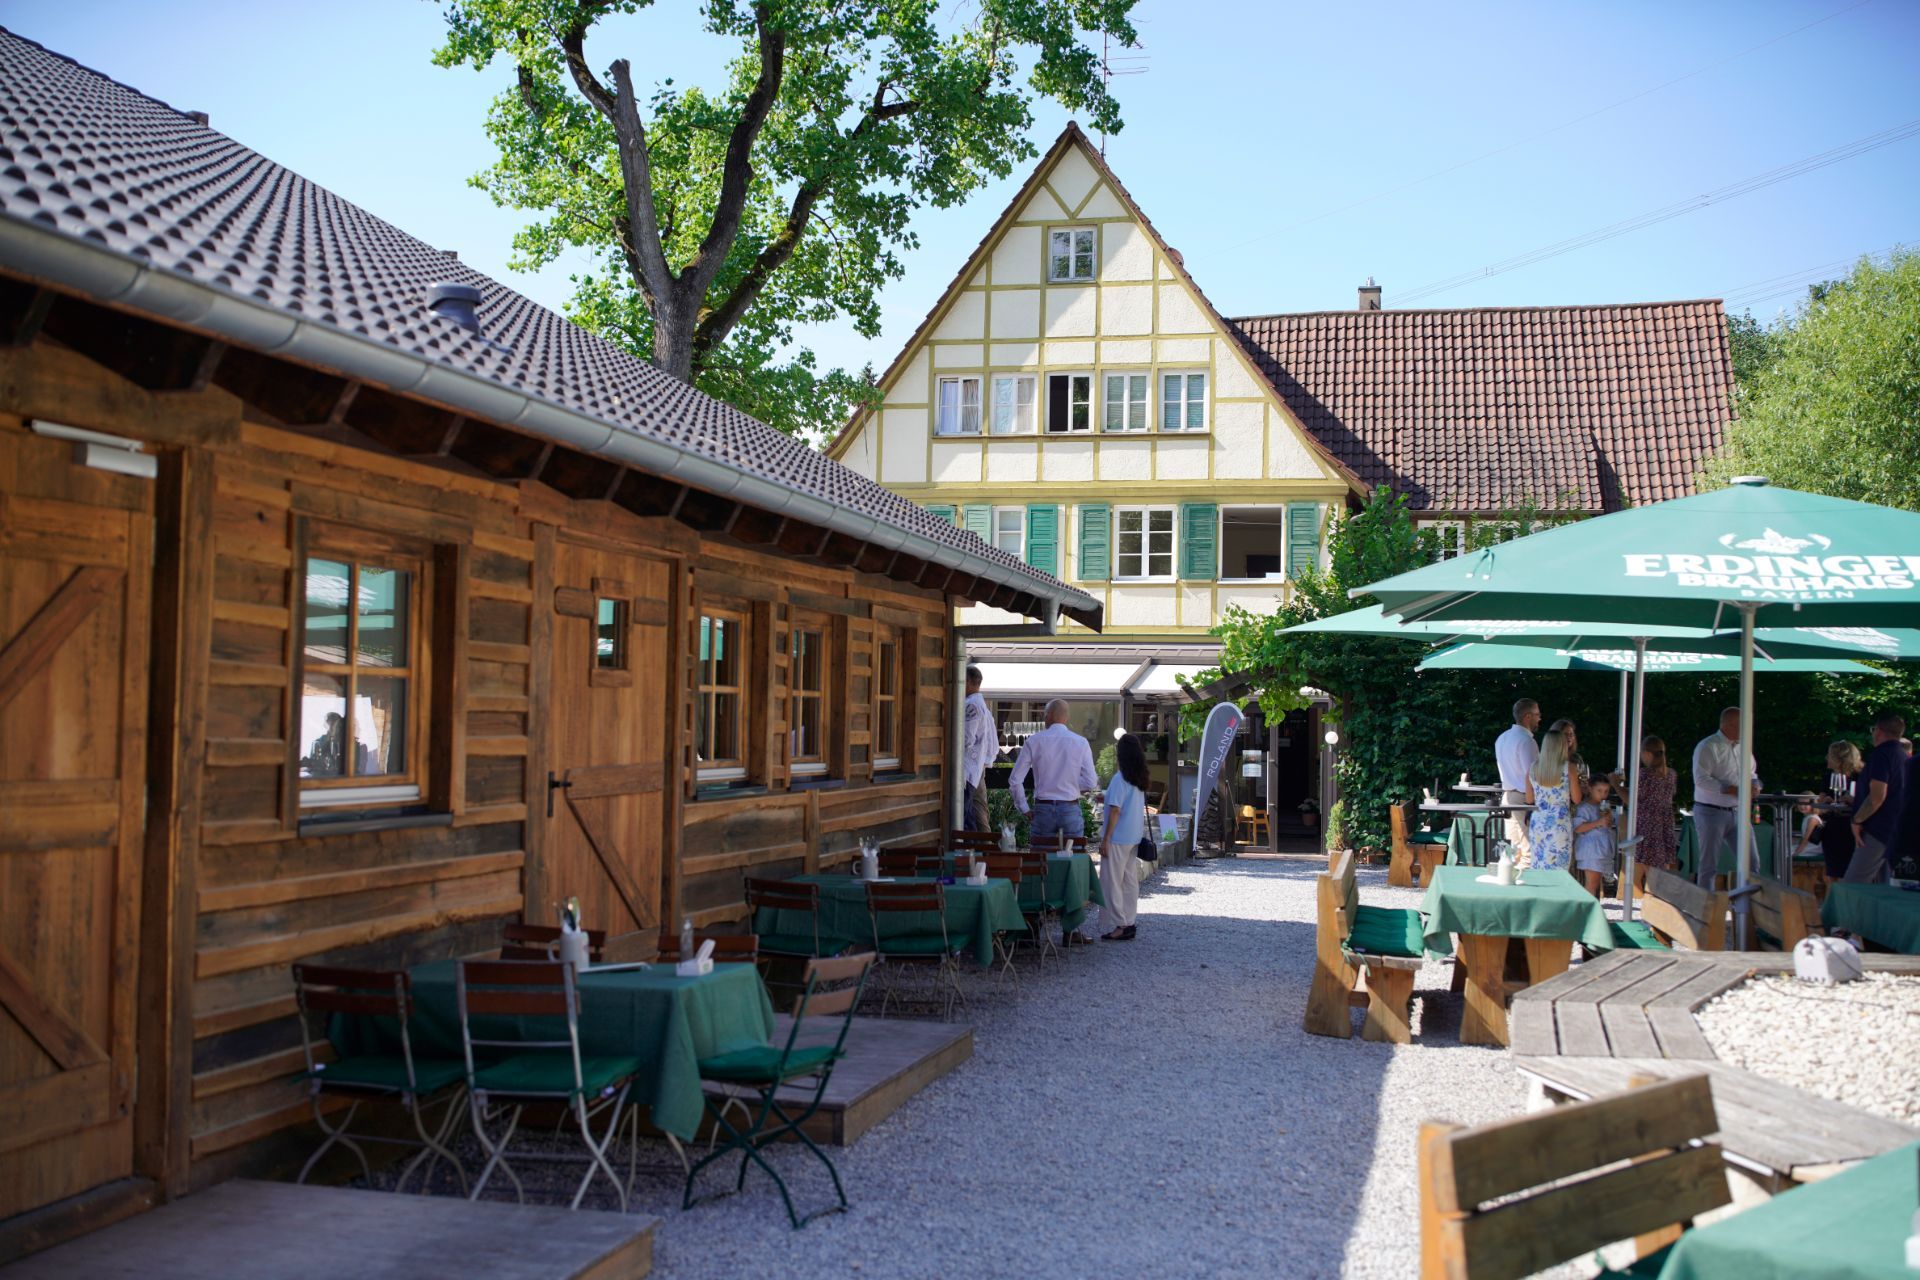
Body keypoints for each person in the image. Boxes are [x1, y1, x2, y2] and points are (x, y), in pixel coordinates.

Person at [1008, 698, 1098, 844]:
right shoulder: (1080, 742)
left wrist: (1024, 808)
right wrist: (1070, 783)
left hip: (1044, 808)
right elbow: (1091, 782)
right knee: (1074, 859)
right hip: (1070, 807)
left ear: (1047, 715)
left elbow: (1015, 780)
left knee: (1040, 859)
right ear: (1066, 717)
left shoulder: (1034, 741)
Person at [1690, 707, 1757, 889]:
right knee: (1709, 865)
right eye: (1743, 725)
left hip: (1739, 811)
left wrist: (1756, 785)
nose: (1746, 730)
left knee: (1752, 864)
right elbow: (1701, 779)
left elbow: (1752, 773)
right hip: (1711, 811)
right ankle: (1705, 910)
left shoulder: (1743, 748)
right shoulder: (1707, 746)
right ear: (1730, 724)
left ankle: (1747, 909)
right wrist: (1728, 789)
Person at [1096, 733, 1150, 942]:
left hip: (1118, 838)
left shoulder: (1120, 779)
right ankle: (1129, 920)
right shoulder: (1139, 778)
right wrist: (1106, 797)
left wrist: (1105, 839)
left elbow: (1116, 811)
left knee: (1111, 882)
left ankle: (1120, 923)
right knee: (1129, 882)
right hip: (1133, 836)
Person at [1847, 711, 1908, 884]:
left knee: (1853, 885)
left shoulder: (1882, 755)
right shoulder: (1903, 756)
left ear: (1879, 731)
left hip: (1876, 829)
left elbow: (1877, 797)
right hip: (1894, 828)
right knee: (1884, 887)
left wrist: (1857, 820)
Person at [1794, 740, 1862, 880]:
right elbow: (1821, 802)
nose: (1826, 758)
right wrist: (1825, 801)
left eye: (1829, 755)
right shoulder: (1828, 777)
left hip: (1853, 826)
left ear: (1840, 757)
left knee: (1853, 871)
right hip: (1833, 827)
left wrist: (1851, 800)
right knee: (1834, 871)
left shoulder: (1860, 777)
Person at [1525, 725, 1581, 871]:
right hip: (1559, 822)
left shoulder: (1532, 768)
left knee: (1538, 864)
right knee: (1560, 868)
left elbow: (1529, 799)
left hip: (1538, 821)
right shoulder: (1569, 768)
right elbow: (1577, 799)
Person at [1495, 699, 1542, 864]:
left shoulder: (1502, 737)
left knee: (1512, 852)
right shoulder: (1527, 741)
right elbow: (1532, 776)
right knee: (1527, 852)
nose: (1540, 718)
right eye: (1537, 714)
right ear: (1527, 716)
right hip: (1524, 799)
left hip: (1507, 797)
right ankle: (1528, 889)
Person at [1634, 735, 1679, 886]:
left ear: (1646, 754)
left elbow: (1633, 799)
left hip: (1649, 823)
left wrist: (1616, 785)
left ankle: (1656, 898)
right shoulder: (1671, 774)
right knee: (1662, 865)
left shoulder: (1645, 774)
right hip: (1664, 822)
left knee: (1650, 868)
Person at [961, 666, 996, 832]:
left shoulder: (971, 706)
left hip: (967, 769)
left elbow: (965, 738)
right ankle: (983, 850)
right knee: (976, 814)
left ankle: (975, 852)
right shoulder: (983, 707)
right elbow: (993, 745)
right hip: (976, 768)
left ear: (967, 682)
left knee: (968, 818)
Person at [1573, 774, 1617, 897]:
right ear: (1591, 789)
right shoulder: (1584, 807)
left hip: (1602, 849)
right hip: (1591, 849)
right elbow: (1578, 828)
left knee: (1596, 883)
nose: (1603, 794)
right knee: (1592, 883)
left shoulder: (1603, 807)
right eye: (1599, 790)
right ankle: (1588, 910)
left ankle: (1593, 908)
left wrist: (1608, 820)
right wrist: (1598, 822)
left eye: (1606, 791)